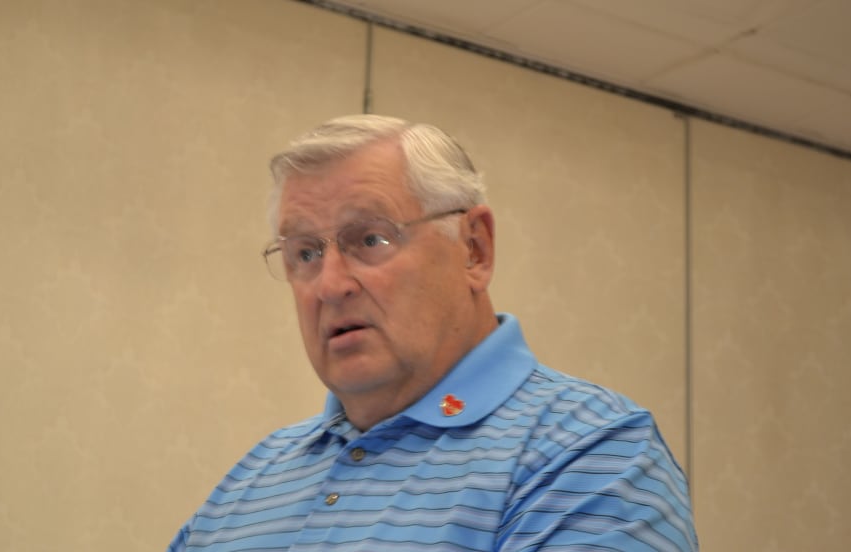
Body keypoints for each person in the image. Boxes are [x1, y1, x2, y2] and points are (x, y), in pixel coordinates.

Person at [168, 114, 698, 551]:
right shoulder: (250, 481)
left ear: (474, 249)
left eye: (370, 239)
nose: (329, 285)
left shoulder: (590, 453)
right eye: (305, 253)